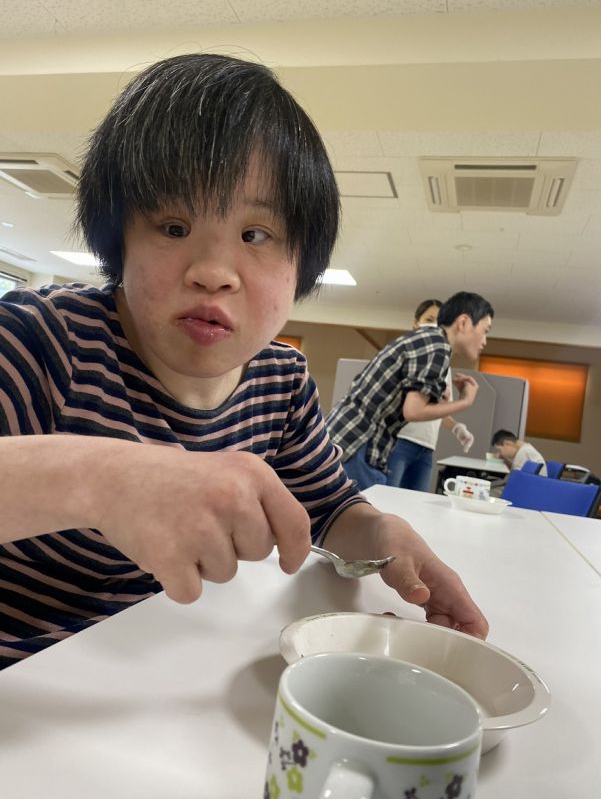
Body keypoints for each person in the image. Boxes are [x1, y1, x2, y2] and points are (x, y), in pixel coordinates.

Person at [0, 54, 488, 670]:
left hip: (156, 672)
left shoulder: (281, 382)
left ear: (302, 265)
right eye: (173, 227)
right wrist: (100, 479)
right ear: (117, 239)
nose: (212, 272)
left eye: (256, 235)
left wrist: (379, 534)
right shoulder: (42, 340)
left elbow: (328, 506)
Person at [326, 292, 493, 491]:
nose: (485, 341)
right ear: (463, 323)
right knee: (365, 509)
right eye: (485, 331)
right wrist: (465, 402)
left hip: (353, 438)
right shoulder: (437, 347)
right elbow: (413, 411)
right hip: (359, 442)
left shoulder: (428, 341)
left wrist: (441, 404)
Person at [387, 299, 475, 492]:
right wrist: (465, 402)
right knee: (386, 498)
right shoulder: (413, 355)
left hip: (426, 448)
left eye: (439, 321)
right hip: (401, 440)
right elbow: (412, 407)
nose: (434, 325)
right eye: (429, 319)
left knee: (416, 503)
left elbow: (436, 410)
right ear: (415, 323)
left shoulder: (443, 364)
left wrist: (457, 428)